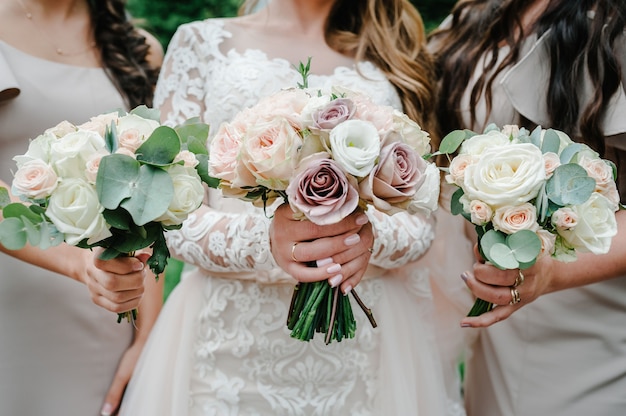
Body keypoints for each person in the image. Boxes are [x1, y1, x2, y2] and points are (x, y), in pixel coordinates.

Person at [117, 0, 465, 415]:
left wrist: (366, 239)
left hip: (365, 359)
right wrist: (269, 240)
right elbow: (167, 212)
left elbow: (422, 221)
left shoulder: (392, 56)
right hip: (227, 349)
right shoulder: (200, 43)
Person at [428, 0, 626, 415]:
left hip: (582, 316)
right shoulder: (478, 12)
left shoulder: (614, 27)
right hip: (490, 304)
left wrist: (551, 273)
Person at [0, 0, 165, 414]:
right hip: (14, 307)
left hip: (107, 311)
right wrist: (80, 265)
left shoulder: (140, 50)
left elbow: (153, 199)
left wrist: (147, 336)